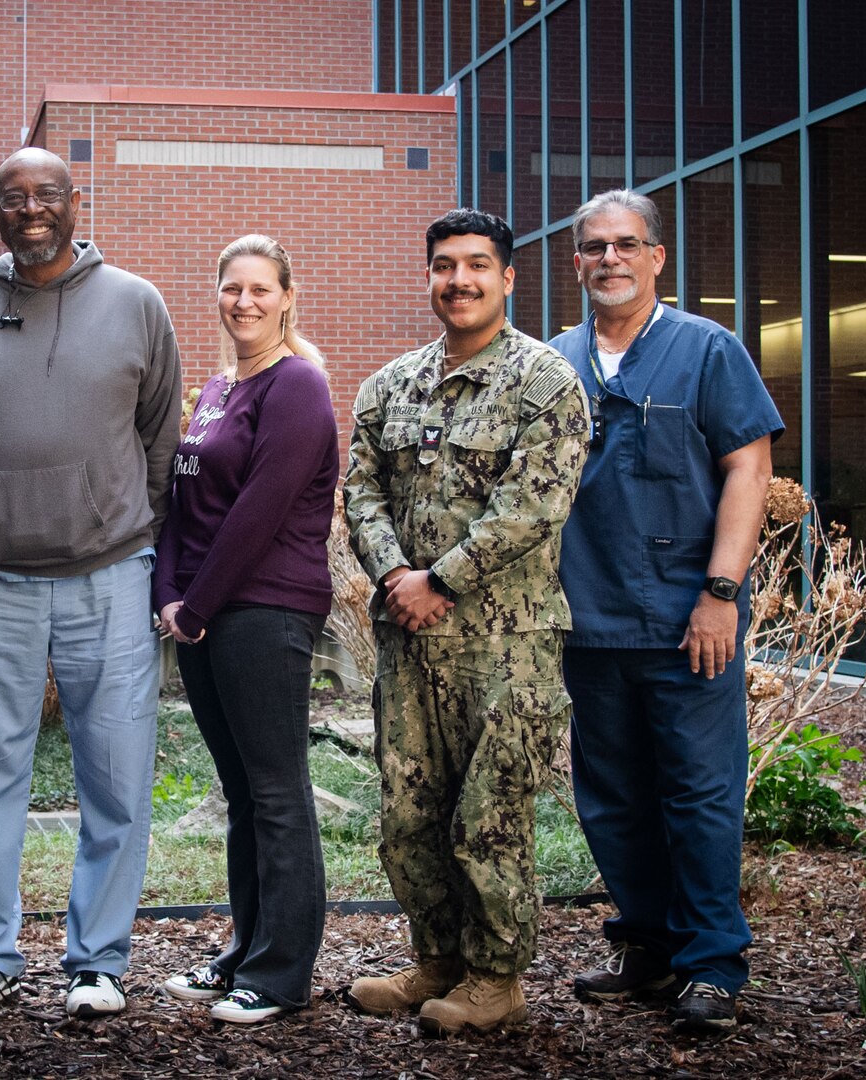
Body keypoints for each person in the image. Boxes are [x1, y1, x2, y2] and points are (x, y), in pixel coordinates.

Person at [0, 147, 182, 1019]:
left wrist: (123, 530)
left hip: (109, 576)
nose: (32, 209)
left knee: (116, 772)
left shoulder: (137, 305)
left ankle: (97, 961)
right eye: (14, 198)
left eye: (48, 195)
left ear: (76, 204)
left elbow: (158, 440)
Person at [342, 208, 590, 1035]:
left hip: (506, 645)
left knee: (489, 814)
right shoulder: (392, 384)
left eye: (478, 265)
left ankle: (497, 977)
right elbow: (361, 488)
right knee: (408, 815)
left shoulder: (547, 381)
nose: (460, 280)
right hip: (410, 645)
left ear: (508, 277)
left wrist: (439, 579)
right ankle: (437, 959)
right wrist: (394, 574)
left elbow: (534, 507)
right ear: (430, 276)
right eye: (446, 265)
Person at [550, 190, 781, 1033]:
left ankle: (713, 965)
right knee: (611, 797)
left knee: (700, 794)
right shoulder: (554, 363)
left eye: (625, 244)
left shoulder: (707, 350)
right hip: (588, 617)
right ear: (575, 262)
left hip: (690, 620)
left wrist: (720, 594)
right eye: (592, 247)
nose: (608, 259)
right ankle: (646, 949)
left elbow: (748, 472)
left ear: (657, 258)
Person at [153, 236, 339, 1025]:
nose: (245, 302)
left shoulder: (298, 385)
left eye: (261, 289)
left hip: (264, 609)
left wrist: (194, 607)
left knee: (277, 792)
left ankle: (282, 972)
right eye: (232, 288)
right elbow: (182, 504)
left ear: (287, 296)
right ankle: (244, 951)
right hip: (202, 613)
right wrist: (167, 593)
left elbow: (260, 510)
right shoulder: (218, 386)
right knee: (242, 794)